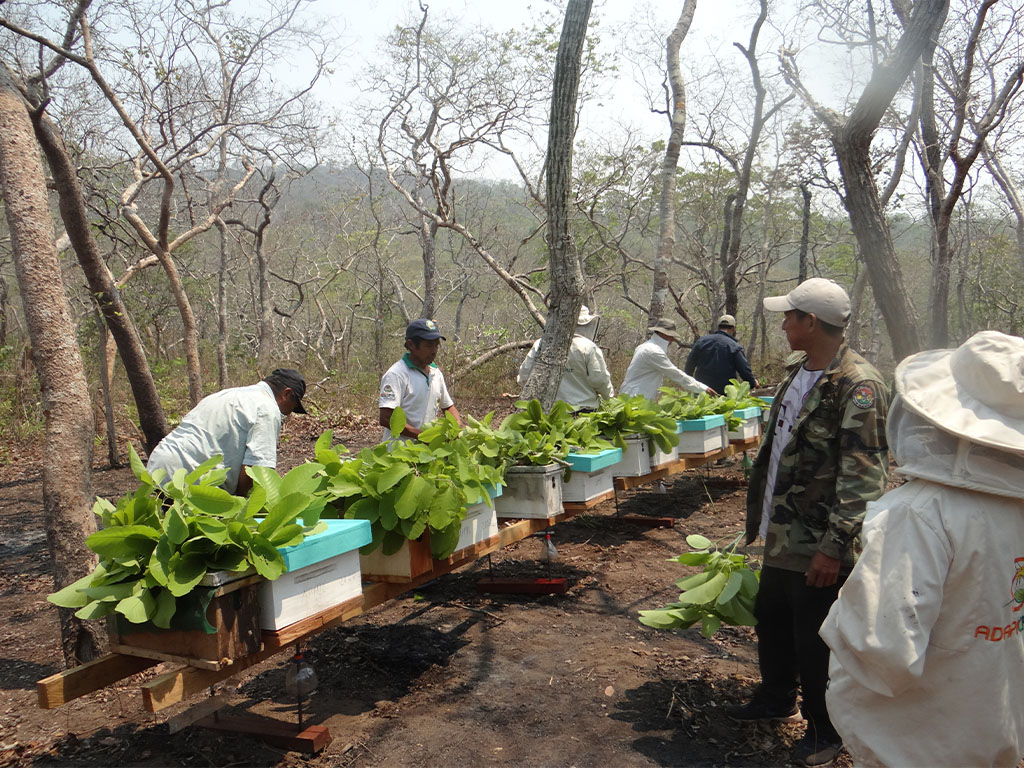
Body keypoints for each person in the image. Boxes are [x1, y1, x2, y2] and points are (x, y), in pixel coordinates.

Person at [820, 330, 1024, 768]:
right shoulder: (1013, 508)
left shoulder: (917, 514)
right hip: (992, 734)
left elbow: (881, 653)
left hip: (915, 744)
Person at [728, 278, 890, 768]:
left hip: (819, 539)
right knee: (772, 619)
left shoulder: (859, 385)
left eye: (789, 317)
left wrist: (833, 546)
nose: (782, 325)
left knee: (815, 636)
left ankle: (825, 728)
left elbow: (865, 477)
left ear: (811, 322)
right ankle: (776, 698)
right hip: (782, 530)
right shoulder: (799, 373)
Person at [146, 368, 307, 496]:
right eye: (292, 408)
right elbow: (256, 470)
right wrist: (240, 506)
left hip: (158, 468)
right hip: (189, 480)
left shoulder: (228, 394)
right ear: (286, 394)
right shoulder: (267, 409)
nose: (288, 414)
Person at [517, 305, 613, 411]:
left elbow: (524, 376)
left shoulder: (541, 344)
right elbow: (600, 380)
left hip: (549, 413)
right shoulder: (589, 348)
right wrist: (610, 399)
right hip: (584, 412)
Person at [379, 318, 462, 440]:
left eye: (436, 345)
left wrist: (457, 426)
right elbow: (386, 418)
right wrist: (423, 437)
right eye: (428, 345)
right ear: (411, 345)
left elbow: (448, 406)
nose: (434, 351)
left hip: (426, 453)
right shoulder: (397, 374)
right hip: (399, 453)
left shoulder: (436, 373)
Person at [620, 318, 713, 400]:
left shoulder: (644, 346)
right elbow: (676, 374)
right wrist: (703, 388)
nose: (672, 340)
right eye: (670, 336)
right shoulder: (653, 351)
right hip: (635, 398)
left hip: (632, 396)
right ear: (661, 333)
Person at [684, 313, 758, 394]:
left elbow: (689, 367)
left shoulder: (701, 342)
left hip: (701, 393)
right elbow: (745, 371)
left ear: (719, 327)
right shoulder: (734, 347)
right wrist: (753, 383)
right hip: (724, 397)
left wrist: (691, 386)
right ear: (733, 328)